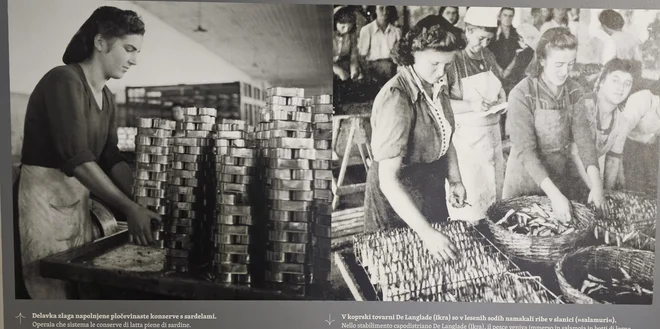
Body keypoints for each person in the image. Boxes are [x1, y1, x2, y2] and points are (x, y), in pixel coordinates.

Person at [15, 6, 161, 299]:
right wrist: (130, 209)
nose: (134, 60)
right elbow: (77, 158)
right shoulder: (64, 80)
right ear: (100, 43)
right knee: (47, 291)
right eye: (129, 49)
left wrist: (143, 202)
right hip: (41, 204)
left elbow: (110, 157)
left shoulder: (107, 97)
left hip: (75, 203)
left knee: (74, 287)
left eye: (137, 52)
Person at [364, 14, 467, 261]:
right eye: (434, 64)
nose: (442, 72)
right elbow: (387, 181)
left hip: (429, 186)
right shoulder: (397, 97)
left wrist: (455, 180)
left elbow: (445, 136)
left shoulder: (436, 85)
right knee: (402, 264)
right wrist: (425, 231)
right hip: (398, 196)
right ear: (414, 54)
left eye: (447, 64)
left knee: (435, 267)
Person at [503, 27, 605, 222]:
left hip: (558, 174)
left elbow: (584, 141)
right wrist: (555, 195)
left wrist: (597, 185)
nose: (566, 72)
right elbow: (526, 151)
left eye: (571, 64)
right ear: (541, 60)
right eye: (559, 64)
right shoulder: (521, 93)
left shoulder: (574, 91)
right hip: (525, 177)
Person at [445, 7, 506, 223]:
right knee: (471, 203)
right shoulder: (453, 60)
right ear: (467, 31)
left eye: (488, 40)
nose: (484, 45)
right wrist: (471, 104)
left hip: (492, 137)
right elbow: (441, 103)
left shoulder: (488, 56)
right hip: (467, 143)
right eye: (480, 38)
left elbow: (498, 85)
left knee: (494, 198)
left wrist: (501, 97)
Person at [571, 59, 637, 192]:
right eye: (615, 80)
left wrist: (608, 194)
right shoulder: (584, 105)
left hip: (587, 180)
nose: (621, 88)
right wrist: (596, 190)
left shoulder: (622, 122)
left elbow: (613, 161)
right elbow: (575, 154)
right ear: (601, 82)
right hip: (561, 174)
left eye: (627, 84)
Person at [620, 80, 660, 195]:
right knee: (635, 189)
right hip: (628, 146)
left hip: (652, 148)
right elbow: (621, 132)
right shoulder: (642, 99)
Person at [489, 7, 533, 95]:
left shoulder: (517, 33)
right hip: (495, 70)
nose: (507, 18)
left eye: (510, 16)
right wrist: (499, 69)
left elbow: (519, 53)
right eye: (505, 15)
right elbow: (489, 52)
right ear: (500, 16)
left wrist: (508, 70)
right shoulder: (492, 33)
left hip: (512, 72)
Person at [358, 5, 402, 84]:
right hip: (372, 70)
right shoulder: (367, 30)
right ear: (375, 9)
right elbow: (362, 56)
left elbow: (399, 54)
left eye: (387, 8)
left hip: (391, 68)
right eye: (381, 8)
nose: (385, 12)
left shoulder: (396, 31)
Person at [333, 6, 360, 81]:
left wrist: (354, 69)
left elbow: (353, 55)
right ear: (336, 22)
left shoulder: (351, 35)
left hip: (343, 67)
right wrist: (338, 71)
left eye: (349, 28)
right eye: (343, 27)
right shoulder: (328, 34)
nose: (346, 31)